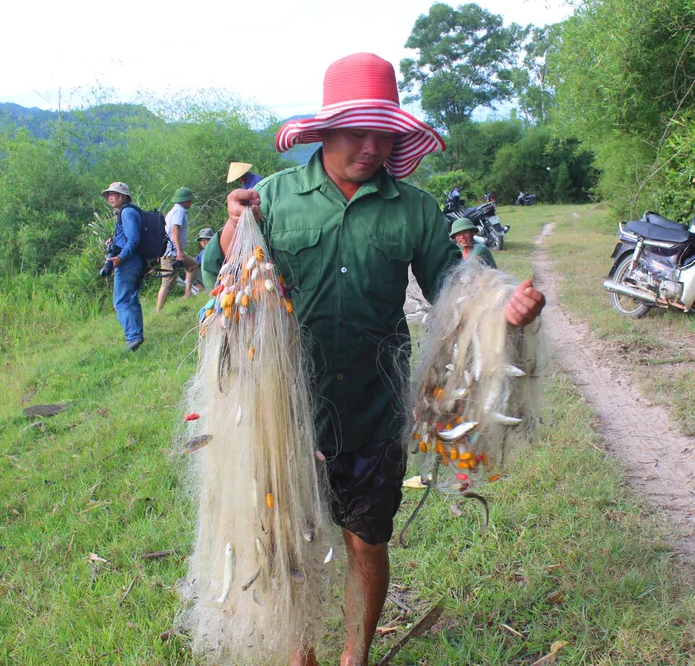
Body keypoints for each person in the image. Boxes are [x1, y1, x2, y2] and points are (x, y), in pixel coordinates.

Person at [203, 53, 545, 666]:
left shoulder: (413, 208)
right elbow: (222, 276)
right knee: (288, 540)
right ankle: (299, 652)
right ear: (325, 131)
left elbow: (456, 282)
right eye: (358, 130)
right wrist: (231, 234)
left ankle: (353, 657)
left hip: (374, 407)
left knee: (367, 538)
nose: (371, 145)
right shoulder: (272, 200)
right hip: (286, 408)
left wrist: (505, 308)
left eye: (383, 132)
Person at [103, 182, 145, 351]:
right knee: (132, 299)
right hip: (137, 261)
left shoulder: (126, 212)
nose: (110, 197)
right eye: (109, 195)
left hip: (129, 262)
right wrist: (114, 241)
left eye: (114, 194)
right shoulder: (128, 212)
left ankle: (133, 337)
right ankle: (136, 336)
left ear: (123, 196)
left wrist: (120, 258)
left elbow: (134, 239)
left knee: (121, 302)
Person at [156, 187, 201, 310]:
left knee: (192, 265)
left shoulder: (175, 210)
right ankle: (158, 310)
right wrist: (179, 251)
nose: (191, 203)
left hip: (172, 251)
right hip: (171, 252)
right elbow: (174, 230)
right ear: (185, 201)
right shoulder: (179, 212)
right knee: (167, 283)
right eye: (189, 200)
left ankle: (188, 293)